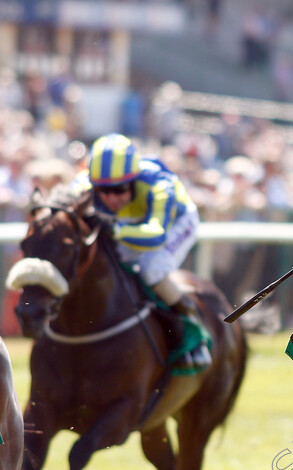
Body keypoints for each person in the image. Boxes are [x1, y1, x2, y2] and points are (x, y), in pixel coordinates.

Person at [75, 133, 211, 370]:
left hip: (175, 222)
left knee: (151, 267)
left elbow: (156, 234)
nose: (109, 197)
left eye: (118, 189)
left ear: (134, 179)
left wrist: (116, 231)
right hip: (131, 224)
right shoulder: (82, 185)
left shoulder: (158, 183)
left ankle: (192, 329)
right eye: (102, 190)